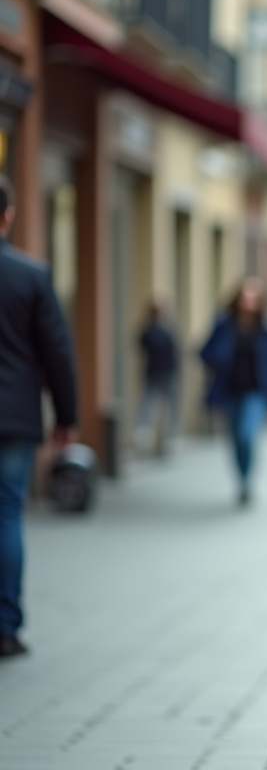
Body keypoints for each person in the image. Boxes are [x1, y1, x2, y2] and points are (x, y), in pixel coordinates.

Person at [0, 175, 78, 657]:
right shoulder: (30, 275)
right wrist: (66, 417)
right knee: (8, 513)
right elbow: (58, 354)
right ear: (6, 217)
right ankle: (5, 627)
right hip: (15, 417)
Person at [200, 278, 267, 506]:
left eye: (254, 298)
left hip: (257, 392)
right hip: (229, 391)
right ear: (238, 299)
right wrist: (219, 353)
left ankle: (247, 481)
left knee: (247, 434)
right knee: (235, 439)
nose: (249, 301)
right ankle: (241, 480)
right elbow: (204, 352)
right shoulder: (224, 324)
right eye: (245, 297)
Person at [134, 302, 179, 456]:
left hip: (167, 373)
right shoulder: (150, 331)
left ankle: (167, 440)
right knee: (148, 407)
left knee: (168, 408)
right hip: (155, 374)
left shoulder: (168, 330)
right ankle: (145, 441)